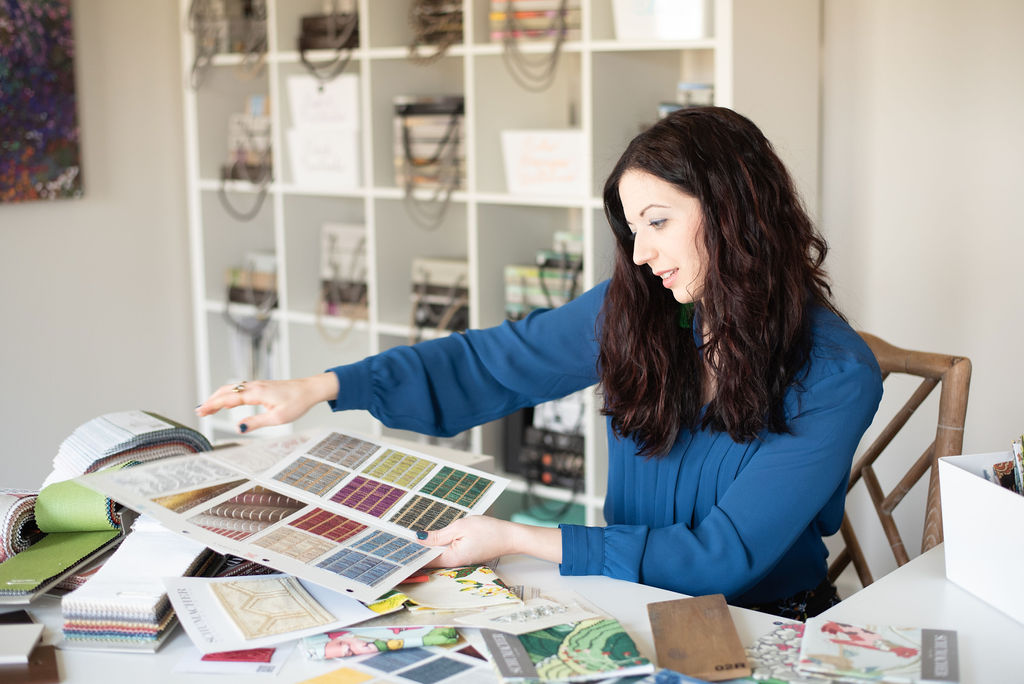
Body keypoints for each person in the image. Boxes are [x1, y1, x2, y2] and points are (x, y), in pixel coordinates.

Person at [196, 106, 883, 620]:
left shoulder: (836, 375)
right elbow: (497, 362)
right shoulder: (641, 307)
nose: (641, 254)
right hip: (625, 602)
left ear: (736, 210)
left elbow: (722, 559)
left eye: (658, 220)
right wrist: (323, 385)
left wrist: (514, 537)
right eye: (631, 228)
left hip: (760, 627)